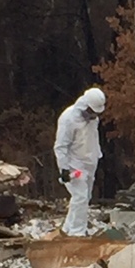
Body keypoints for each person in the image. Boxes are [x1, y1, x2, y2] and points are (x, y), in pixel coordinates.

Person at [53, 86, 106, 235]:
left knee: (84, 198)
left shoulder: (93, 119)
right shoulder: (68, 118)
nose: (94, 115)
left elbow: (91, 140)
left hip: (90, 162)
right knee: (80, 197)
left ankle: (67, 229)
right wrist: (64, 168)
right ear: (85, 106)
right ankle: (77, 233)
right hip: (74, 165)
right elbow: (61, 146)